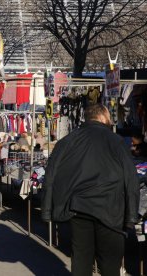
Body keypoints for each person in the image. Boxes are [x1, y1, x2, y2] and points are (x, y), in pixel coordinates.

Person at [41, 104, 139, 276]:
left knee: (81, 259)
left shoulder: (68, 140)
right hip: (111, 210)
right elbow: (131, 179)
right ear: (102, 117)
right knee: (110, 265)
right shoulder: (116, 141)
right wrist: (130, 217)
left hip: (79, 208)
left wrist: (47, 211)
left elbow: (50, 174)